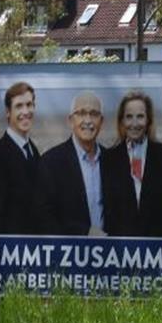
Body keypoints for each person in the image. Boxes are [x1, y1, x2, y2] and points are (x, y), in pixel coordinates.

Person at [103, 91, 162, 237]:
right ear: (122, 121)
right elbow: (109, 211)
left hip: (156, 246)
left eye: (140, 116)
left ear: (148, 119)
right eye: (129, 117)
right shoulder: (109, 158)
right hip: (120, 247)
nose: (134, 123)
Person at [35, 91, 110, 236]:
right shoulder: (50, 162)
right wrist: (84, 233)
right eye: (81, 113)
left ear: (101, 121)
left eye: (94, 114)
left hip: (109, 254)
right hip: (67, 254)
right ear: (70, 121)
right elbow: (43, 217)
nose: (87, 120)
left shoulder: (112, 161)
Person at [0, 81, 41, 234]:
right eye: (19, 106)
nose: (25, 111)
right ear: (8, 112)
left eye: (29, 104)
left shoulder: (33, 151)